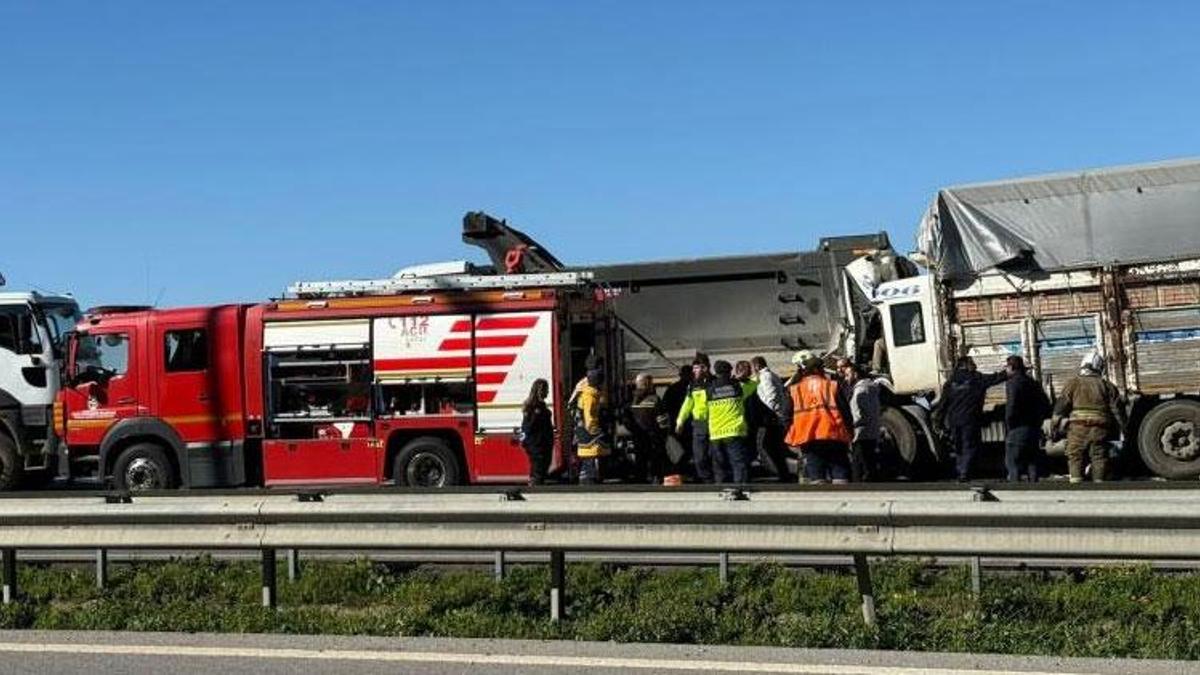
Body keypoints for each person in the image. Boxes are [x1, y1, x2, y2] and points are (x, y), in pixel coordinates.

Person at [1051, 351, 1126, 483]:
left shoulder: (1073, 384)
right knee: (1099, 457)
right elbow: (1117, 412)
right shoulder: (1108, 386)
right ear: (1100, 368)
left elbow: (1060, 408)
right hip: (1100, 429)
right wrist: (1124, 429)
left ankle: (1076, 483)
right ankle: (1099, 484)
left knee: (1075, 456)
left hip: (1077, 429)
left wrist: (1054, 427)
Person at [783, 351, 852, 484]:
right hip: (834, 436)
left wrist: (792, 435)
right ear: (817, 369)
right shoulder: (832, 385)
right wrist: (849, 432)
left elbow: (786, 417)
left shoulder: (794, 389)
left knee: (817, 480)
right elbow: (845, 412)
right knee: (841, 478)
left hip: (808, 439)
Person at [935, 356, 1006, 482]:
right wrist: (1008, 373)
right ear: (966, 365)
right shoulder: (976, 378)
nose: (975, 365)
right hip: (970, 420)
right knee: (970, 445)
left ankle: (960, 470)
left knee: (958, 446)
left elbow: (943, 404)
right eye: (973, 363)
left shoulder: (951, 382)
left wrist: (938, 422)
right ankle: (964, 473)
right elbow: (994, 378)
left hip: (954, 421)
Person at [1002, 356, 1051, 482]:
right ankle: (1034, 490)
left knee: (1013, 462)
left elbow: (1011, 405)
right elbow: (1045, 403)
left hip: (1018, 427)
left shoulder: (1013, 383)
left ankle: (1016, 491)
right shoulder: (1033, 383)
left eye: (1006, 367)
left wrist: (1009, 423)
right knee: (1032, 461)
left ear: (1011, 367)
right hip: (1033, 428)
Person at [706, 360, 753, 483]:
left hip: (716, 432)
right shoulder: (736, 386)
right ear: (728, 372)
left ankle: (721, 486)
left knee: (719, 465)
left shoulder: (710, 388)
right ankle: (740, 487)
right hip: (733, 430)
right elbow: (751, 388)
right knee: (738, 462)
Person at [837, 358, 881, 482]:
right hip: (872, 431)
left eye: (847, 375)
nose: (845, 378)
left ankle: (858, 489)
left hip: (860, 433)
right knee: (870, 463)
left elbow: (857, 414)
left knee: (858, 465)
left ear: (855, 374)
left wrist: (849, 427)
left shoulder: (859, 391)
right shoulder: (872, 387)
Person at [751, 355, 791, 482]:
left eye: (753, 367)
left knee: (769, 445)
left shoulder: (765, 377)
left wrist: (773, 412)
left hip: (772, 417)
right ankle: (783, 472)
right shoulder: (771, 375)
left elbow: (770, 397)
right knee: (775, 446)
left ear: (757, 366)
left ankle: (782, 473)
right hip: (776, 417)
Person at [676, 353, 714, 483]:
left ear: (705, 368)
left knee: (714, 455)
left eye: (696, 368)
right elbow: (687, 405)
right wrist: (680, 421)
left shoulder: (715, 383)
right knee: (699, 457)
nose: (693, 371)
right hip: (699, 424)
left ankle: (715, 480)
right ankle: (706, 479)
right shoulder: (693, 385)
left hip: (715, 423)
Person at [627, 373, 669, 483]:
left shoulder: (630, 400)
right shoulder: (655, 399)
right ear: (648, 384)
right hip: (653, 436)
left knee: (640, 459)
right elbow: (662, 420)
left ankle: (640, 480)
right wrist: (665, 433)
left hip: (637, 436)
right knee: (655, 458)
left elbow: (626, 419)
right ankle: (655, 479)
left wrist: (632, 430)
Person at [574, 368, 610, 484]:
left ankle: (587, 478)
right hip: (590, 437)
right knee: (591, 460)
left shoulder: (586, 393)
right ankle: (589, 481)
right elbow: (590, 417)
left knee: (587, 461)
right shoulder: (590, 396)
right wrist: (597, 432)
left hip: (583, 433)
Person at [520, 379, 555, 486]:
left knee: (544, 465)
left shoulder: (541, 405)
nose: (547, 392)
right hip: (536, 442)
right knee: (538, 467)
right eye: (545, 390)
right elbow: (528, 426)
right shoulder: (533, 407)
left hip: (544, 442)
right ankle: (535, 485)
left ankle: (537, 482)